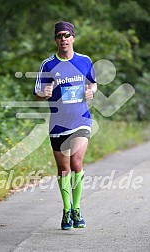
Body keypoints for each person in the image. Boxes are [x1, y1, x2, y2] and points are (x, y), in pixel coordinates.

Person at [34, 21, 97, 230]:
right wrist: (44, 93)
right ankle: (67, 209)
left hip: (81, 119)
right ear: (55, 40)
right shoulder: (47, 65)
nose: (63, 39)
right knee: (63, 169)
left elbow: (92, 83)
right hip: (58, 124)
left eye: (67, 35)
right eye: (59, 36)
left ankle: (77, 209)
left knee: (77, 162)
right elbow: (37, 93)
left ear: (73, 38)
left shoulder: (85, 61)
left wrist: (91, 92)